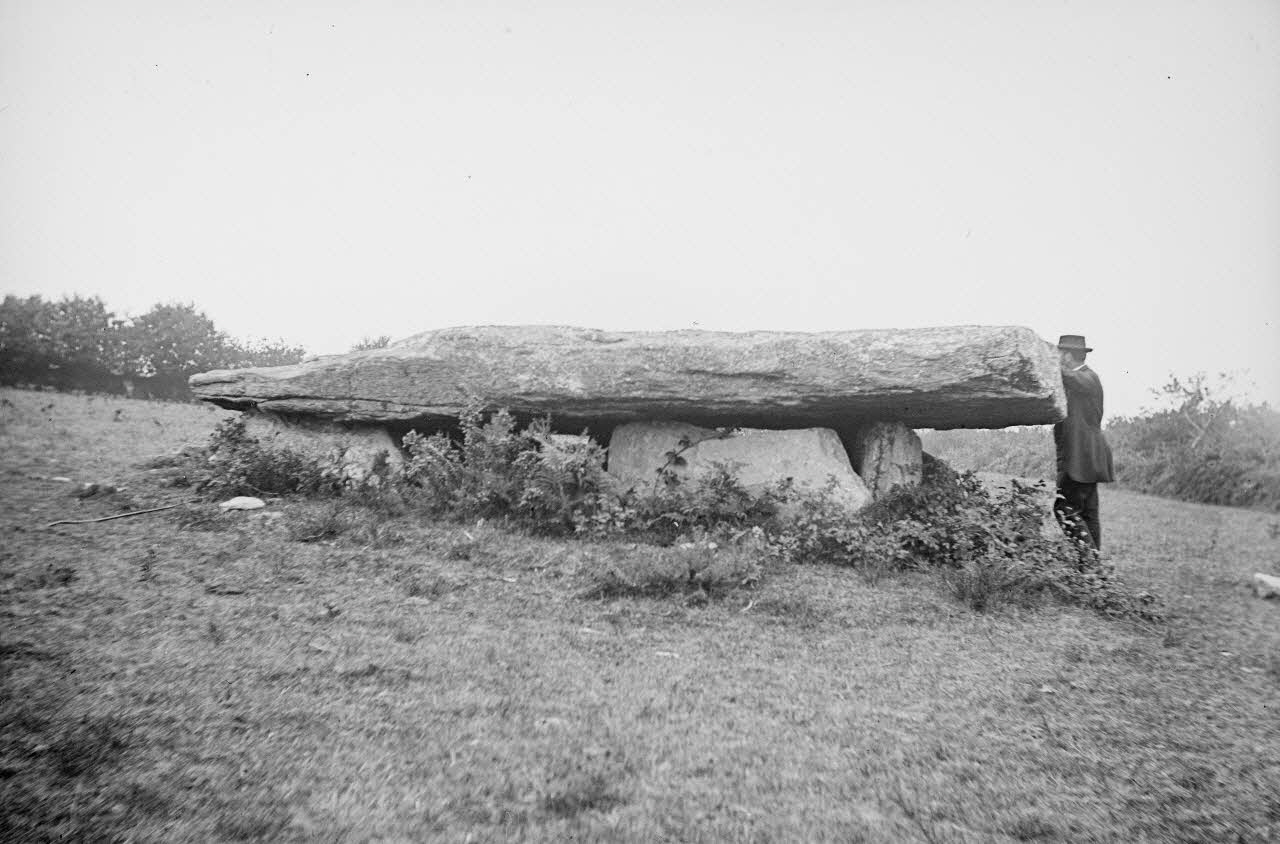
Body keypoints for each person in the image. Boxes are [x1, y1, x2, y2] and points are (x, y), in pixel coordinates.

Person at [1053, 334, 1114, 550]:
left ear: (1068, 356)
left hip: (1082, 457)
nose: (1058, 357)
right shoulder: (1079, 380)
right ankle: (1094, 572)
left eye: (1059, 354)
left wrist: (1047, 363)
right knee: (1088, 513)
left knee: (1063, 508)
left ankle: (1089, 565)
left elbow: (1072, 378)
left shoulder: (1089, 378)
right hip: (1088, 456)